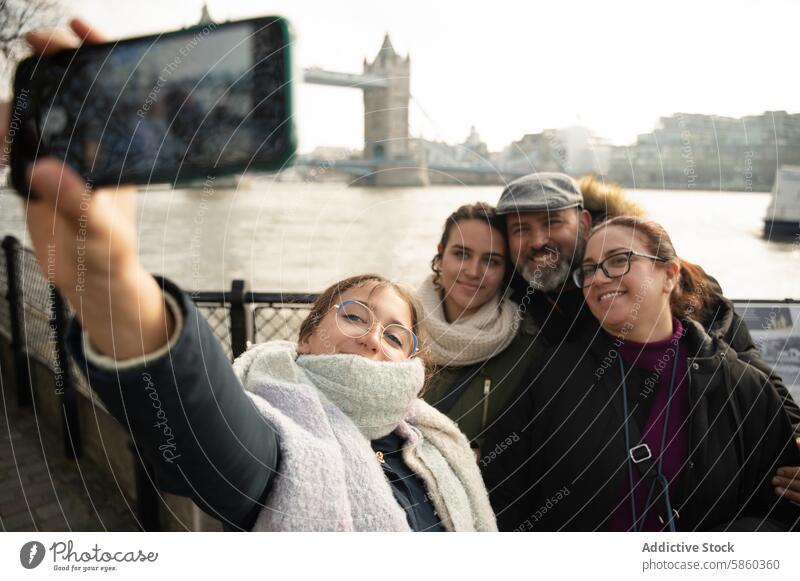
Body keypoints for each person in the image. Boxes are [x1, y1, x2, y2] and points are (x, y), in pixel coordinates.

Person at [18, 19, 496, 532]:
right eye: (354, 314)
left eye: (396, 335)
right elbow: (205, 430)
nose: (373, 338)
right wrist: (112, 287)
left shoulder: (436, 443)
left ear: (412, 363)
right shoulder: (280, 436)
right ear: (307, 336)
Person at [493, 172, 800, 501]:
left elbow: (747, 365)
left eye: (552, 222)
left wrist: (794, 436)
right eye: (520, 229)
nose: (538, 240)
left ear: (583, 221)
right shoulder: (514, 286)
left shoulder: (666, 280)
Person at [418, 203, 546, 453]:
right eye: (461, 254)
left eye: (491, 261)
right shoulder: (396, 324)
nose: (474, 271)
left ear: (505, 270)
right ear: (441, 254)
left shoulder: (528, 350)